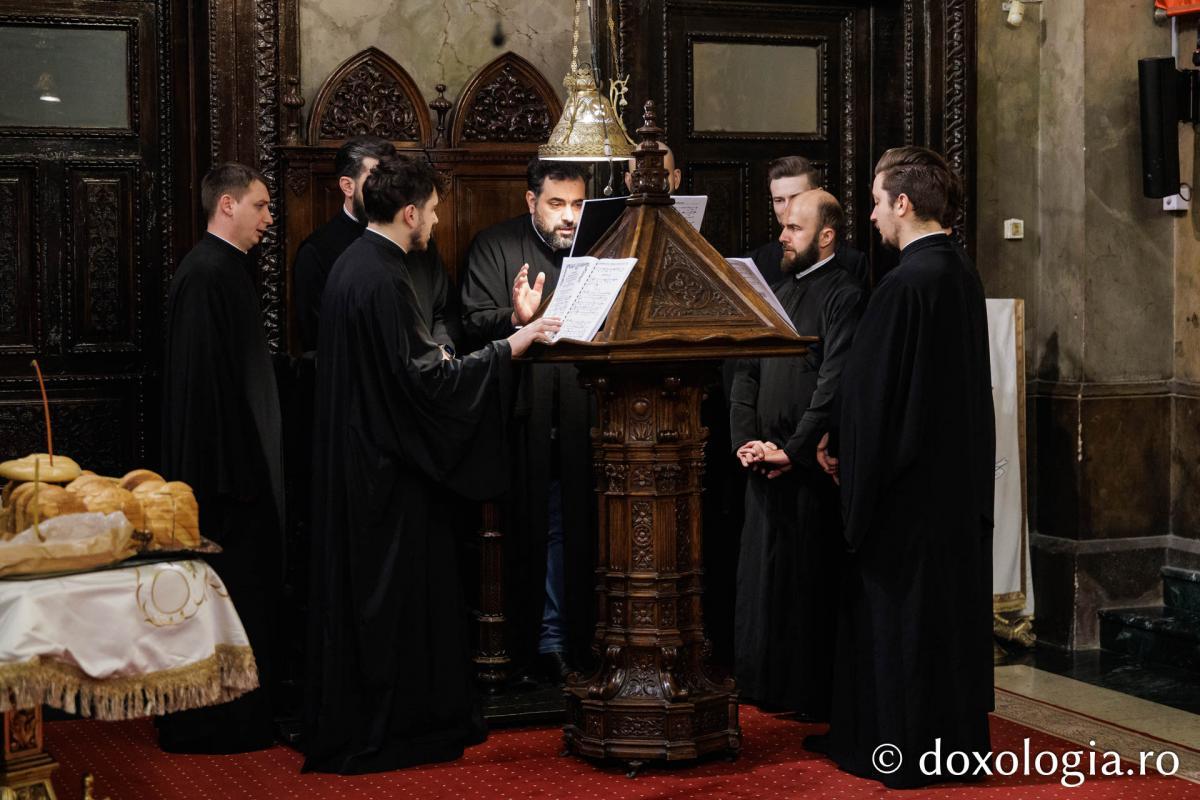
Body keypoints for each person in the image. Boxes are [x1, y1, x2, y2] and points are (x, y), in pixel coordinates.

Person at [303, 156, 560, 773]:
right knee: (395, 604)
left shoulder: (357, 265)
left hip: (361, 462)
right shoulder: (382, 275)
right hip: (387, 476)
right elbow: (426, 383)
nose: (440, 221)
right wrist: (512, 345)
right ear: (411, 213)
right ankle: (400, 728)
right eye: (436, 210)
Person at [805, 146, 995, 788]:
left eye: (877, 201)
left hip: (904, 495)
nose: (872, 215)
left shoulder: (905, 284)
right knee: (941, 623)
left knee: (901, 624)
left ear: (903, 203)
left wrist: (840, 447)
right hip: (950, 487)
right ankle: (949, 749)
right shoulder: (958, 272)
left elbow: (874, 395)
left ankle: (895, 750)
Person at [158, 162, 282, 753]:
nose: (269, 218)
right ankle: (216, 726)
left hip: (236, 469)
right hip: (222, 480)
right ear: (227, 205)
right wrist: (234, 477)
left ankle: (243, 719)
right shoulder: (207, 273)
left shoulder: (225, 269)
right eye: (260, 206)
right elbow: (203, 391)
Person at [459, 158, 592, 684]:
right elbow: (471, 324)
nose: (569, 216)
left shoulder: (596, 248)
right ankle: (538, 644)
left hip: (585, 418)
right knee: (531, 533)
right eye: (557, 204)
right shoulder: (494, 246)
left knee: (576, 529)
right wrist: (517, 319)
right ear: (531, 201)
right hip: (519, 421)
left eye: (578, 204)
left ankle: (575, 641)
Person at [731, 190, 862, 718]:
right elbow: (746, 369)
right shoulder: (776, 292)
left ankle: (802, 693)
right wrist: (745, 441)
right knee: (760, 581)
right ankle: (760, 683)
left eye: (794, 229)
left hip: (805, 467)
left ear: (826, 237)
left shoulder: (845, 294)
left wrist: (793, 449)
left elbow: (834, 383)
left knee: (804, 582)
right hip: (763, 459)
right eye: (783, 226)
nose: (782, 237)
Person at [292, 136, 455, 354]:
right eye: (376, 179)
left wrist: (442, 352)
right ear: (347, 186)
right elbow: (324, 341)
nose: (387, 187)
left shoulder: (419, 238)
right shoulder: (317, 252)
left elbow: (444, 310)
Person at [746, 156, 870, 289]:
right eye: (779, 200)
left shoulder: (852, 263)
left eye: (797, 197)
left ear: (819, 195)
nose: (788, 208)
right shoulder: (756, 262)